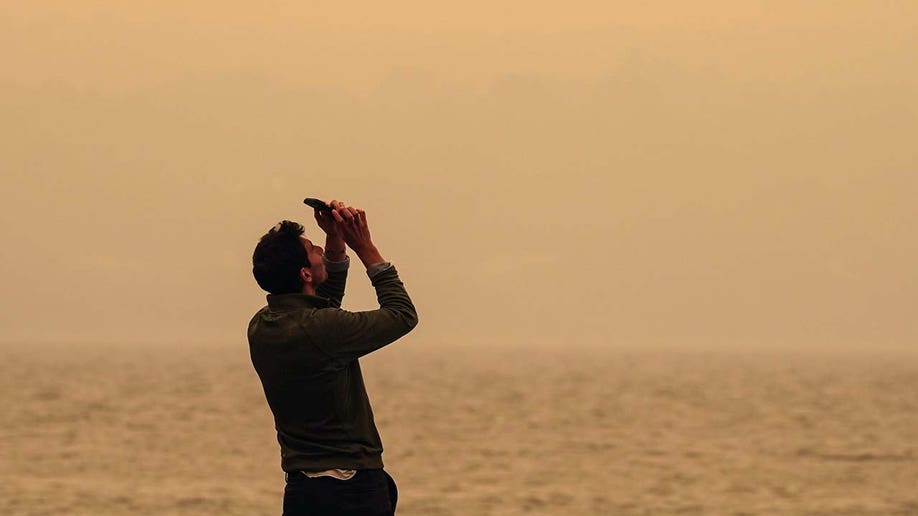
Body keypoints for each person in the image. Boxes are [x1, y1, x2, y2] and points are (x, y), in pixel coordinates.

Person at [247, 199, 418, 516]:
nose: (320, 254)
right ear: (304, 272)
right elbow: (402, 315)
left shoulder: (261, 326)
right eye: (314, 251)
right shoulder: (322, 330)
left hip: (302, 490)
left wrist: (335, 242)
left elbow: (321, 308)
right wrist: (365, 248)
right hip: (349, 490)